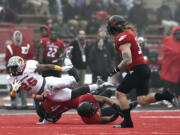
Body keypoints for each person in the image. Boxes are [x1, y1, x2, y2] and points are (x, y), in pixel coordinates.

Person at [106, 15, 177, 128]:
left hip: (137, 69)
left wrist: (116, 69)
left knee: (120, 93)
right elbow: (134, 45)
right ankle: (165, 95)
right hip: (143, 68)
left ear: (115, 27)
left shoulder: (122, 37)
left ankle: (127, 122)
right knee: (142, 100)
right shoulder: (130, 33)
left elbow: (128, 60)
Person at [5, 30, 33, 108]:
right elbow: (7, 59)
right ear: (14, 36)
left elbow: (30, 57)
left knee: (24, 87)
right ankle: (14, 103)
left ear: (21, 36)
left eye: (19, 35)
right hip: (14, 70)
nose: (17, 36)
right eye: (16, 35)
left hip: (24, 70)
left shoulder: (26, 46)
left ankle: (24, 103)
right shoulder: (10, 47)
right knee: (14, 87)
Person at [160, 26, 180, 106]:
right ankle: (165, 98)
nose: (178, 35)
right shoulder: (168, 40)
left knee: (177, 84)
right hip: (170, 66)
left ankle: (176, 98)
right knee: (168, 83)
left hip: (178, 66)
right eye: (177, 34)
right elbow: (167, 51)